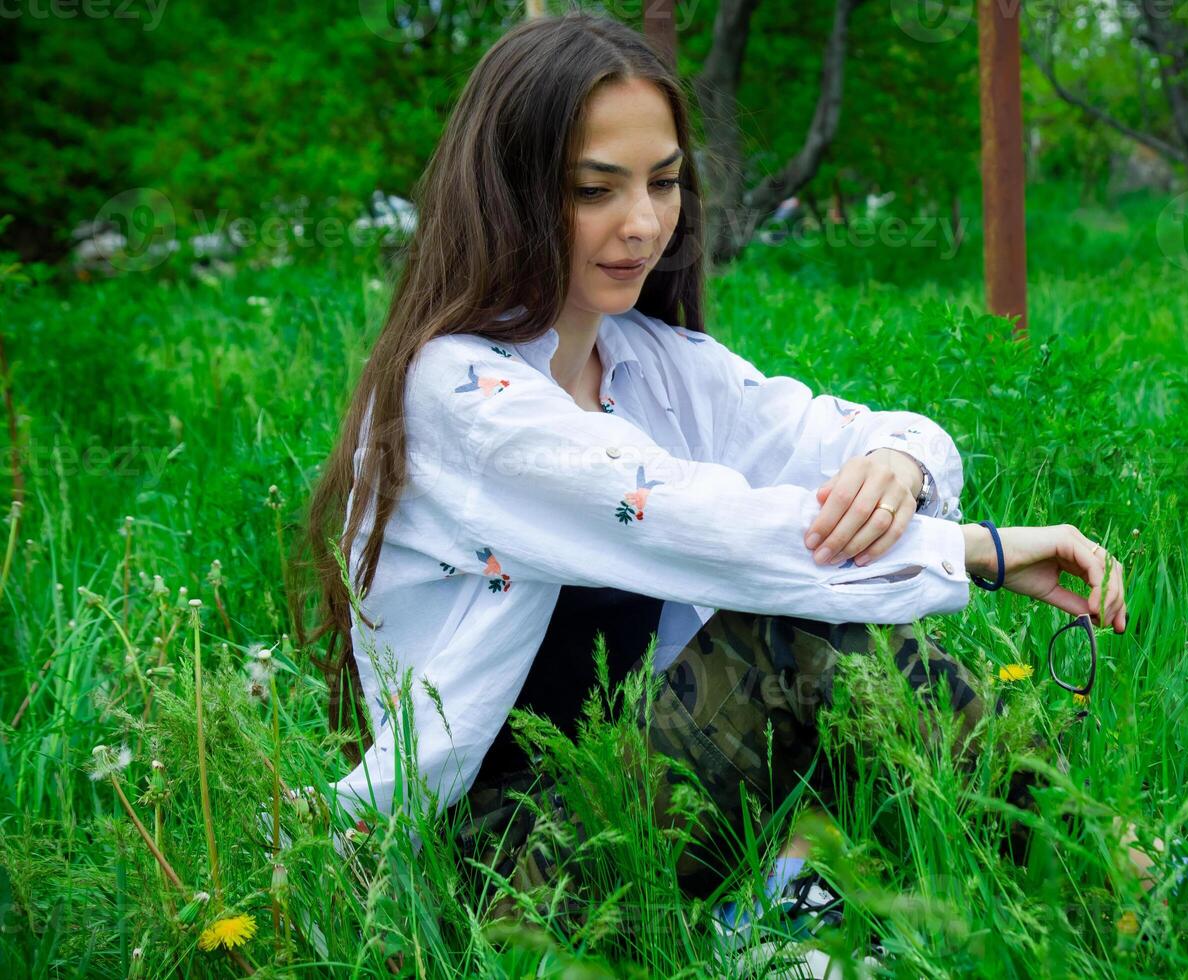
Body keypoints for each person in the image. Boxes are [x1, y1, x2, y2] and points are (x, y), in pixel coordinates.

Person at [302, 11, 1129, 931]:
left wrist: (897, 463)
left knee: (821, 635)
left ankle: (868, 899)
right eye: (595, 190)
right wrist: (983, 552)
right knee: (795, 628)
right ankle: (1113, 875)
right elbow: (704, 525)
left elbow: (854, 429)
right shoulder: (456, 395)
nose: (644, 223)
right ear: (511, 192)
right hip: (504, 868)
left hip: (649, 799)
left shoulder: (645, 359)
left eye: (663, 183)